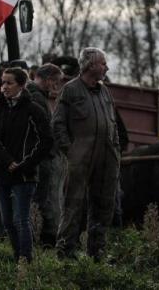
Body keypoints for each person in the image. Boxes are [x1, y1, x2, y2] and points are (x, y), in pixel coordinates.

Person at [53, 47, 120, 261]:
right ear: (90, 66)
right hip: (79, 159)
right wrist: (70, 152)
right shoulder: (71, 90)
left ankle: (97, 252)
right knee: (73, 205)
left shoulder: (105, 91)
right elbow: (57, 125)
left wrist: (115, 148)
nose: (106, 67)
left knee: (104, 205)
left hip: (106, 158)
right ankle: (66, 253)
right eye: (103, 63)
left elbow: (114, 124)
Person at [0, 67, 52, 262]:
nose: (4, 87)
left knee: (20, 220)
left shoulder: (34, 110)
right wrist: (7, 160)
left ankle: (25, 261)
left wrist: (23, 164)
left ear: (21, 85)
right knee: (7, 221)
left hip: (25, 175)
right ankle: (17, 258)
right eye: (2, 82)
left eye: (9, 83)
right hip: (3, 171)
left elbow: (46, 141)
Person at [25, 63, 63, 248]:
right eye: (55, 83)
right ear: (48, 80)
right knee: (41, 198)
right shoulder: (35, 98)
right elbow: (44, 131)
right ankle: (41, 240)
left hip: (38, 155)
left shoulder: (33, 94)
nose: (56, 87)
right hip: (42, 157)